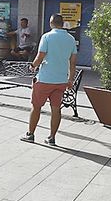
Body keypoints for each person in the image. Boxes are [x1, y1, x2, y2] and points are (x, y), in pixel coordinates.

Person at [22, 14, 77, 146]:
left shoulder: (47, 37)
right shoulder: (71, 39)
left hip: (45, 79)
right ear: (62, 23)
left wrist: (33, 66)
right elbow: (73, 62)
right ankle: (51, 138)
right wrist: (70, 80)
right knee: (56, 109)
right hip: (61, 80)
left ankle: (30, 134)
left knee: (36, 107)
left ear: (51, 23)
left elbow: (40, 56)